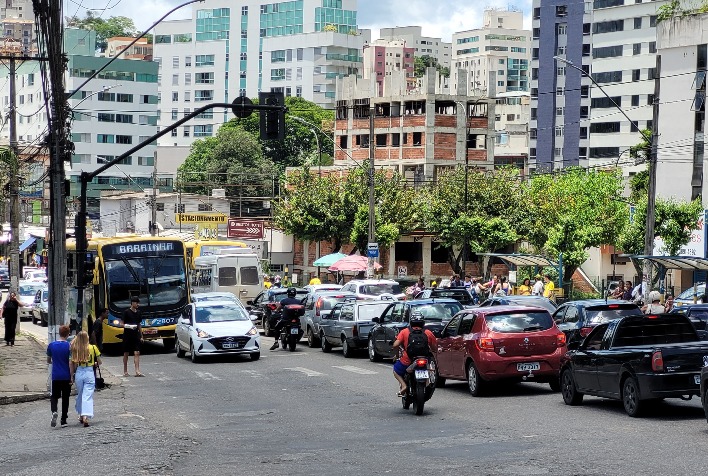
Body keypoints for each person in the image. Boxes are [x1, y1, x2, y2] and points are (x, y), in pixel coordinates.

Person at [391, 314, 437, 397]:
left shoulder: (405, 332)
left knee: (396, 371)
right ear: (423, 323)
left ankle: (404, 385)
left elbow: (395, 345)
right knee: (431, 372)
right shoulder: (428, 332)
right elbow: (435, 348)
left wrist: (397, 355)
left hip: (407, 360)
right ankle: (428, 385)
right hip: (425, 359)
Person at [70, 331, 101, 427]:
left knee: (80, 394)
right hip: (89, 371)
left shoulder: (76, 349)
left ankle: (80, 414)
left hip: (79, 371)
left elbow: (73, 363)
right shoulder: (93, 348)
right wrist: (94, 364)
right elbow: (99, 362)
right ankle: (85, 416)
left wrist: (72, 375)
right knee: (87, 395)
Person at [47, 325, 71, 428]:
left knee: (54, 396)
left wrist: (54, 361)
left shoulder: (51, 345)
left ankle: (54, 411)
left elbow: (48, 360)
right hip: (66, 375)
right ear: (68, 334)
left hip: (55, 375)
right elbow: (71, 362)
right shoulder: (69, 346)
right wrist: (72, 375)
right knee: (66, 398)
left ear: (59, 333)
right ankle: (64, 419)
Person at [119, 296, 144, 377]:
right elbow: (121, 324)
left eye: (138, 303)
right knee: (126, 352)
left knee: (137, 352)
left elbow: (139, 324)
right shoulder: (126, 312)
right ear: (132, 303)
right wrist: (129, 326)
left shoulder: (139, 312)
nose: (138, 304)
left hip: (135, 334)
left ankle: (137, 371)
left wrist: (141, 335)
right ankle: (125, 371)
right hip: (127, 335)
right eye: (136, 303)